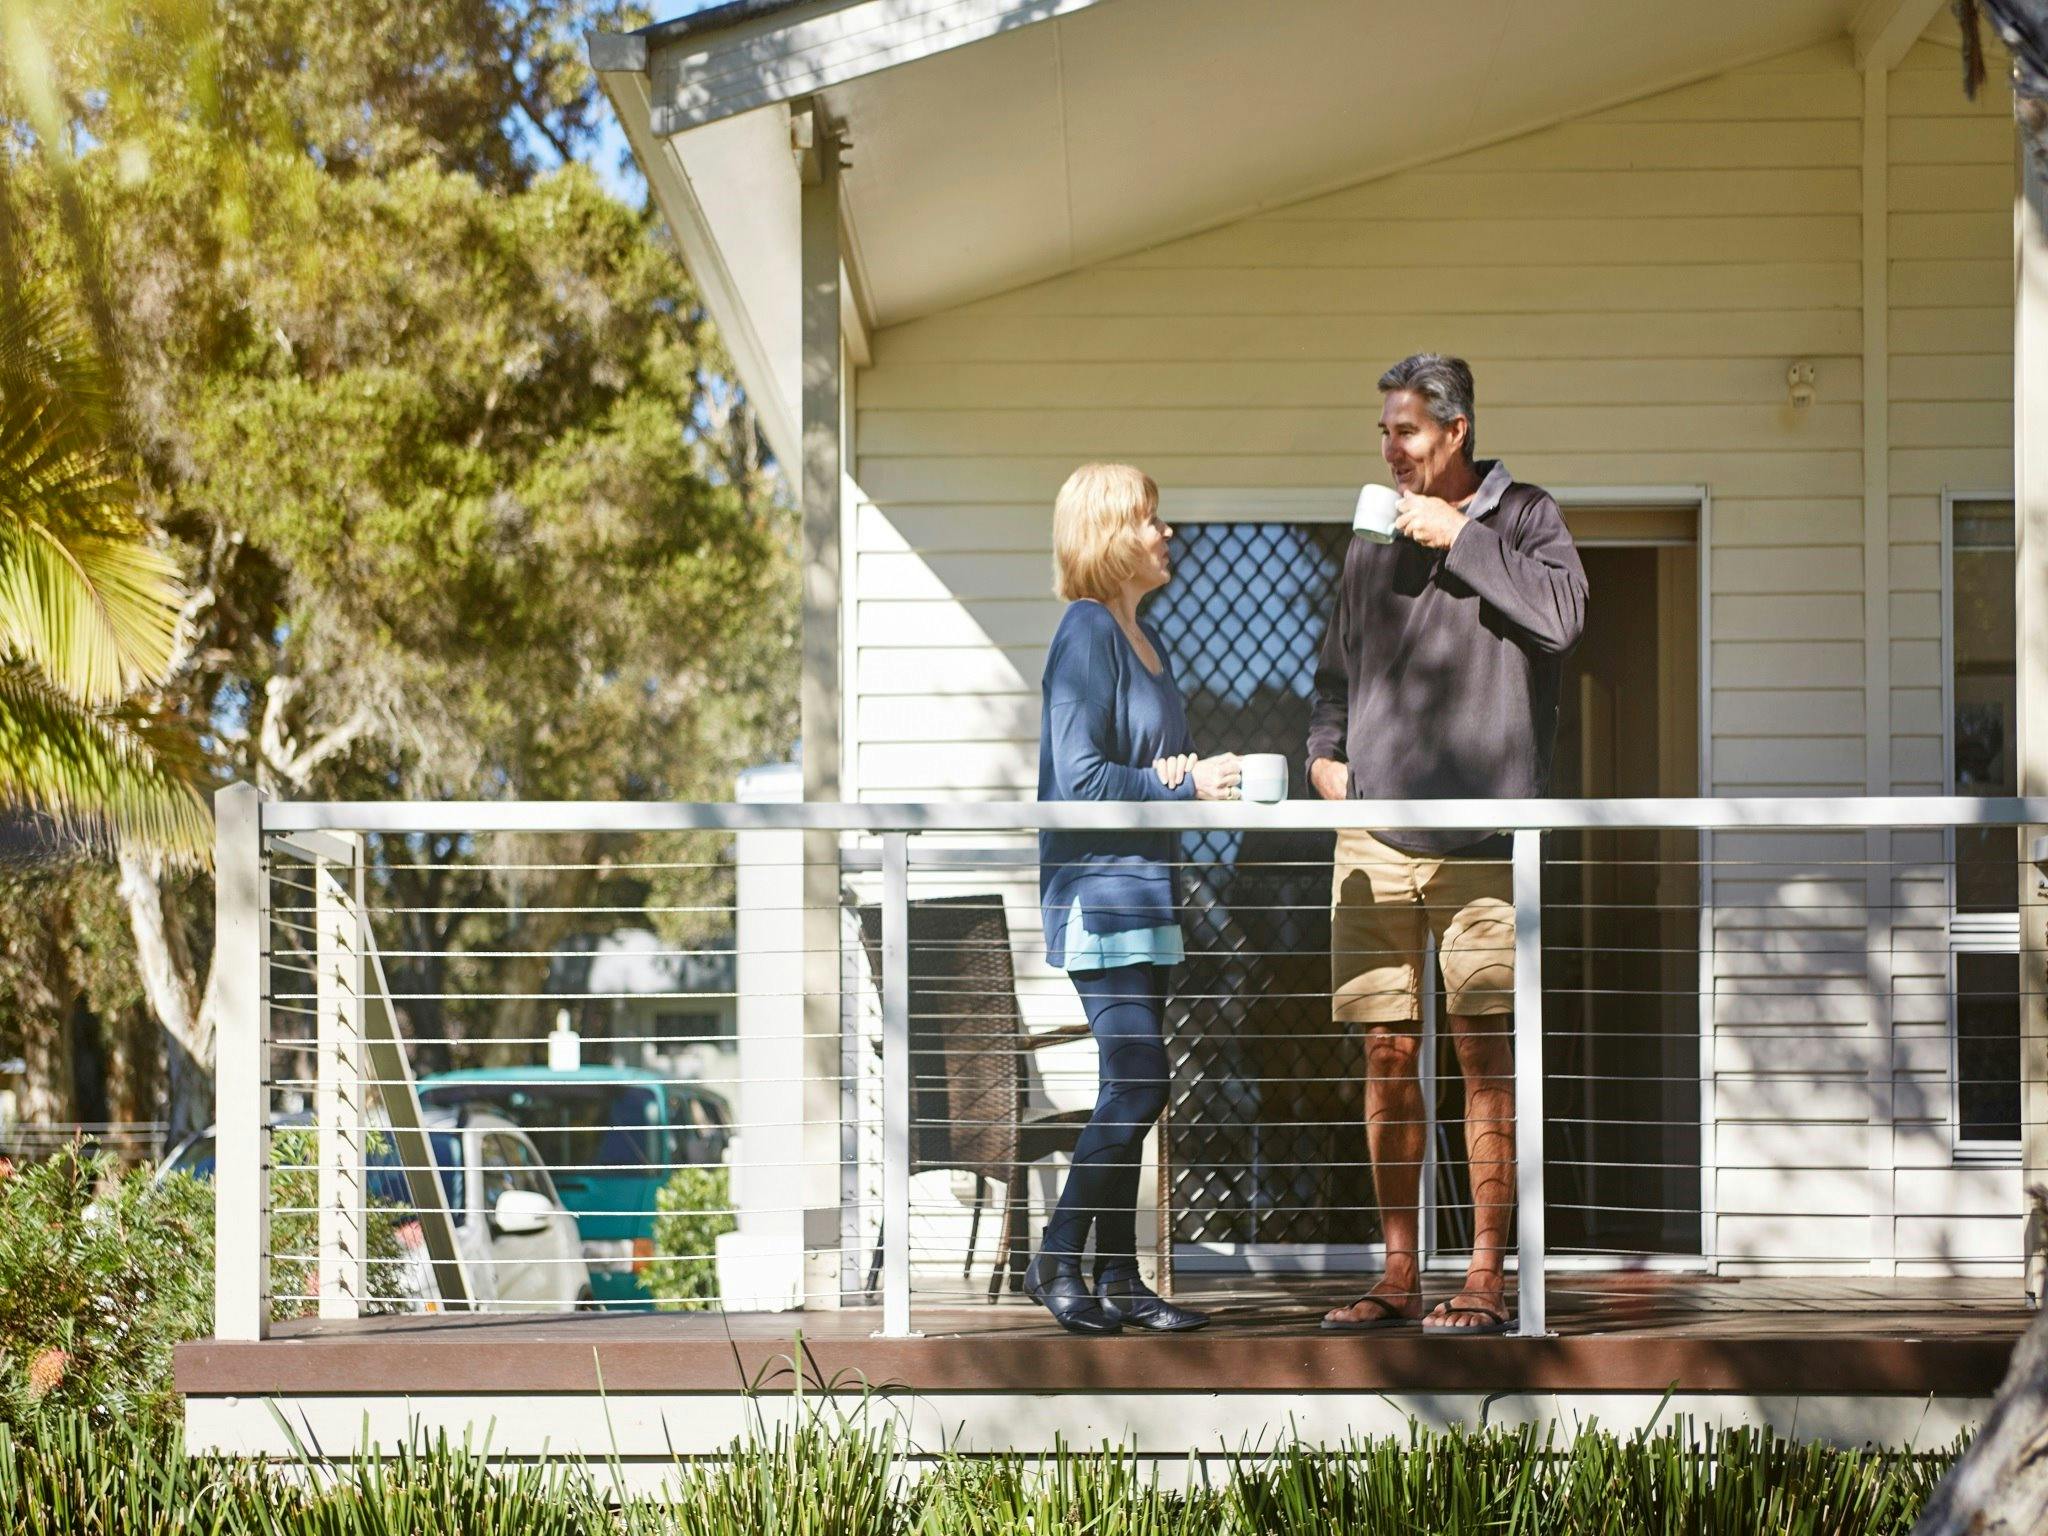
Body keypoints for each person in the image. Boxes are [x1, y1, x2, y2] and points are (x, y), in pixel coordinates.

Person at [1307, 355, 1586, 1335]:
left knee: (1483, 1059)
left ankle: (1482, 1278)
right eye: (1383, 430)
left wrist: (1461, 539)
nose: (1390, 448)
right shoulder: (1370, 535)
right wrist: (1322, 755)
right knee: (1386, 1052)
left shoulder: (1524, 519)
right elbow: (1334, 667)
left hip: (1479, 841)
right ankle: (1395, 1275)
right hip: (1372, 838)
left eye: (1407, 432)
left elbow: (1560, 619)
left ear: (1455, 432)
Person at [1029, 462, 1240, 1335]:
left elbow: (1160, 770)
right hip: (1099, 894)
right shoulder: (1085, 632)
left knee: (1135, 1081)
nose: (1168, 535)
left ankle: (1117, 1280)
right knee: (1141, 1081)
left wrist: (1183, 778)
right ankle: (1056, 1259)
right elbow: (1078, 781)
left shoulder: (1147, 645)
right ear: (1111, 536)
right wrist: (1181, 789)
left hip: (1148, 893)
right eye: (1152, 521)